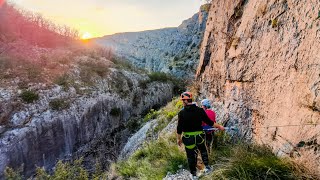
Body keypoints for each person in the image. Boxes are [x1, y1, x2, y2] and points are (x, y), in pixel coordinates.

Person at [176, 92, 225, 179]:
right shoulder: (200, 110)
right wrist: (219, 126)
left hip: (189, 138)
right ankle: (207, 167)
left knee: (191, 156)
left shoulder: (182, 113)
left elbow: (179, 128)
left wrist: (179, 139)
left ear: (187, 100)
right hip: (199, 137)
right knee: (203, 151)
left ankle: (194, 175)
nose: (183, 102)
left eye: (183, 100)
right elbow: (210, 122)